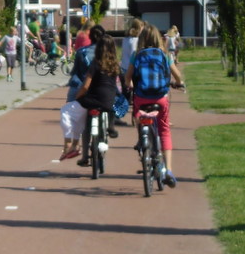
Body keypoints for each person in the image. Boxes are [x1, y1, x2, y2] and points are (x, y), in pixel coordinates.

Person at [125, 24, 184, 187]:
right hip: (160, 98)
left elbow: (128, 77)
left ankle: (142, 141)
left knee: (138, 116)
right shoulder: (164, 54)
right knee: (164, 130)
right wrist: (179, 83)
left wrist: (130, 85)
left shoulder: (137, 55)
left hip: (141, 98)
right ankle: (168, 170)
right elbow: (177, 75)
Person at [61, 34, 121, 161]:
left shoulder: (96, 64)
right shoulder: (115, 65)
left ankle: (73, 146)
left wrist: (78, 96)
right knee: (88, 115)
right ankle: (109, 127)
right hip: (109, 102)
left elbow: (85, 86)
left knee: (67, 111)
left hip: (92, 100)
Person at [61, 25, 105, 158]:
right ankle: (110, 127)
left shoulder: (81, 52)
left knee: (70, 110)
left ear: (90, 37)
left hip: (82, 89)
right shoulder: (107, 53)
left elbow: (76, 73)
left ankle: (71, 145)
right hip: (102, 91)